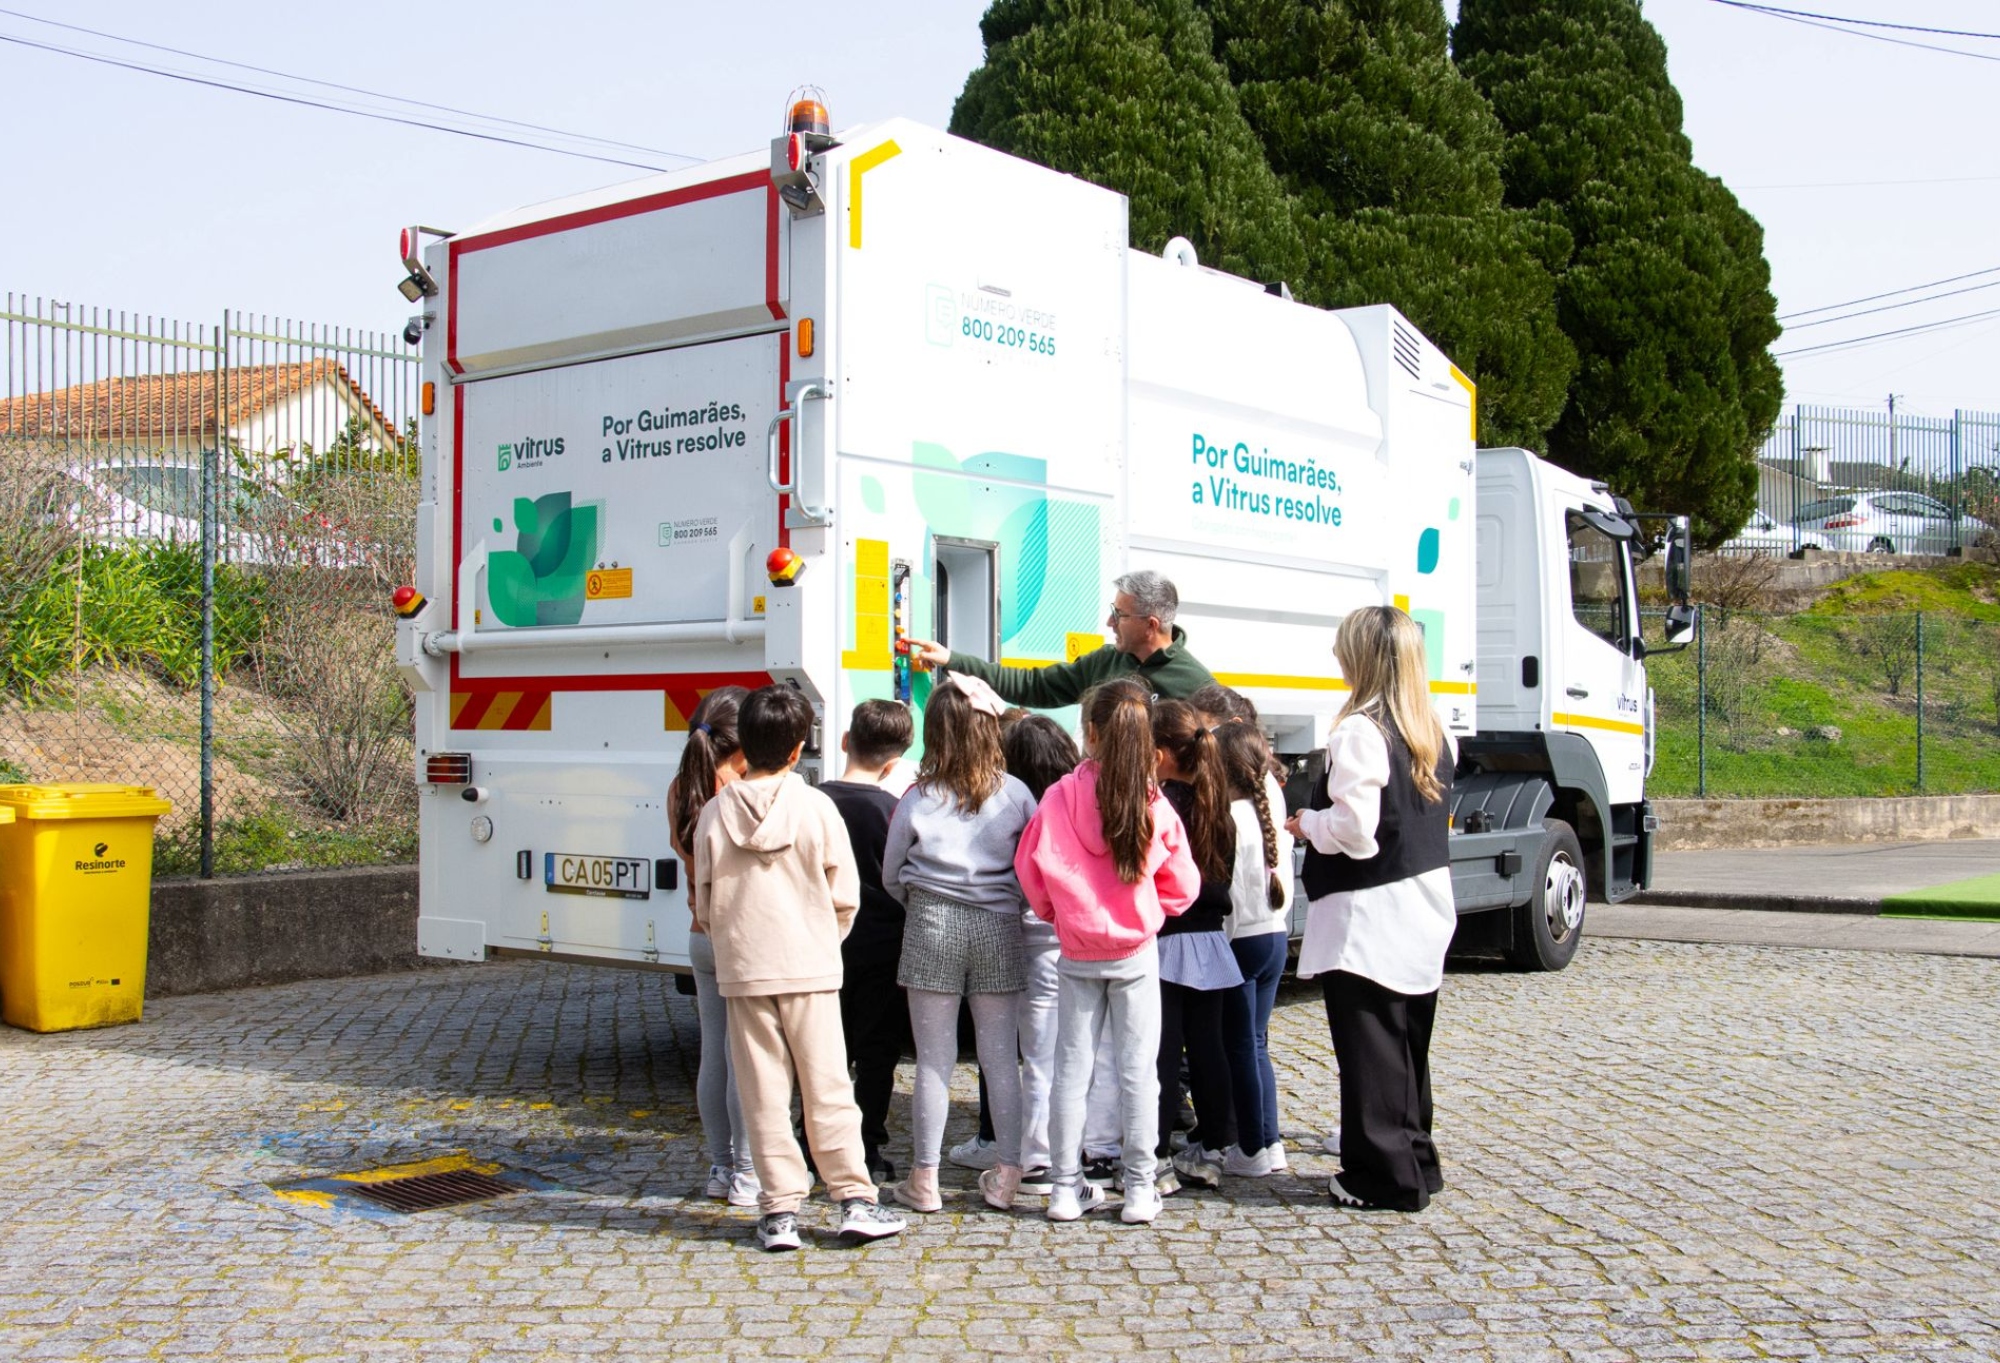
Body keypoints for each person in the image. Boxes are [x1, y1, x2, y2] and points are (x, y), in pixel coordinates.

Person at [691, 685, 906, 1250]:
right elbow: (845, 894)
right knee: (829, 1085)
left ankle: (779, 1211)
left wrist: (735, 943)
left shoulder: (716, 811)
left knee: (763, 1091)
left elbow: (704, 899)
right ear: (797, 750)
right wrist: (820, 941)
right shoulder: (816, 807)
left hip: (745, 967)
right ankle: (854, 1198)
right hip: (810, 965)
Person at [1284, 606, 1457, 1213]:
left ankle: (1383, 1178)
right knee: (1407, 1046)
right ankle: (1416, 1161)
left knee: (1371, 1051)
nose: (1336, 656)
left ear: (1360, 657)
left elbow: (1358, 831)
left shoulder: (1359, 731)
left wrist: (1308, 822)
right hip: (1426, 901)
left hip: (1370, 912)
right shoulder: (1430, 726)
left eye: (1342, 647)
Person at [1015, 678, 1199, 1225]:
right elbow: (1183, 885)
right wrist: (1151, 912)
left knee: (1070, 1072)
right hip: (1136, 951)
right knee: (1140, 1072)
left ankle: (1064, 1190)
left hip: (1076, 951)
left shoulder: (1057, 797)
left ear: (1089, 732)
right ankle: (1140, 1188)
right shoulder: (1152, 802)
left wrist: (1061, 916)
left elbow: (1031, 870)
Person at [881, 673, 1039, 1213]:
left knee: (933, 1060)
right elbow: (1034, 868)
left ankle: (923, 1179)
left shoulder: (918, 798)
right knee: (999, 1058)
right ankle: (1010, 1173)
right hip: (998, 926)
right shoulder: (1017, 795)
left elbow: (890, 874)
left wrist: (923, 898)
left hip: (931, 924)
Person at [666, 686, 759, 1210]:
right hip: (739, 940)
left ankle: (721, 1168)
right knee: (744, 1060)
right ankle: (748, 1173)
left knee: (713, 1058)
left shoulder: (682, 787)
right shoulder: (739, 796)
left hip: (699, 937)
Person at [1149, 699, 1245, 1194]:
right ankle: (1213, 1148)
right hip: (1209, 939)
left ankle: (1158, 1152)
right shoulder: (1216, 802)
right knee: (1209, 1049)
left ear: (1162, 751)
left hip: (1168, 937)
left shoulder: (1161, 803)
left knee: (1162, 1052)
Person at [821, 698, 917, 1187]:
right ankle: (868, 1145)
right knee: (877, 1050)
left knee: (824, 1049)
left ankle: (813, 1139)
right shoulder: (893, 811)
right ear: (894, 763)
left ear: (844, 742)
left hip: (821, 946)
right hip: (881, 945)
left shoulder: (815, 802)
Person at [904, 569, 1215, 706]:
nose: (1109, 622)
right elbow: (1033, 685)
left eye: (1119, 615)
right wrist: (953, 660)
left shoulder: (1196, 684)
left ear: (1151, 624)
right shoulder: (1104, 662)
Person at [998, 713, 1082, 1196]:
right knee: (1086, 1051)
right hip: (1077, 938)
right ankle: (1077, 1150)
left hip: (1028, 936)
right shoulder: (1076, 800)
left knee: (1037, 1053)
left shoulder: (1012, 804)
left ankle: (1036, 1155)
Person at [1215, 716, 1294, 1177]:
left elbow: (1231, 898)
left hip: (1241, 942)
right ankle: (1270, 1139)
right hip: (1275, 936)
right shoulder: (1264, 813)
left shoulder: (1230, 819)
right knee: (1258, 1044)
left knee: (1242, 1047)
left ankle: (1251, 1147)